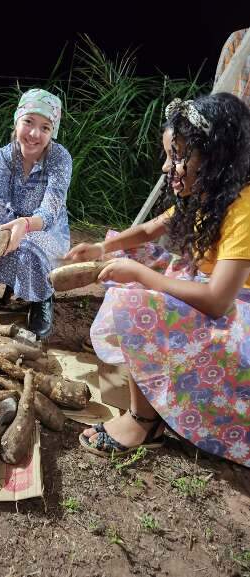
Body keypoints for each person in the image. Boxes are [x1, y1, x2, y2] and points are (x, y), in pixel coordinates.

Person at [66, 92, 250, 468]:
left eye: (178, 156)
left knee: (132, 295)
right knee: (126, 257)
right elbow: (151, 229)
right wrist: (102, 247)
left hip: (236, 316)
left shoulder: (244, 209)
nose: (168, 167)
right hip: (209, 292)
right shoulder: (207, 193)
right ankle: (151, 387)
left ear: (215, 158)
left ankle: (144, 423)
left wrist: (143, 277)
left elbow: (217, 300)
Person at [0, 88, 72, 339]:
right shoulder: (5, 155)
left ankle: (42, 300)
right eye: (28, 122)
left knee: (30, 246)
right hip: (10, 220)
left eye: (45, 127)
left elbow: (50, 210)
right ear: (17, 121)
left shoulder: (60, 158)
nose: (34, 133)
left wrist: (25, 225)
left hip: (45, 227)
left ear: (53, 132)